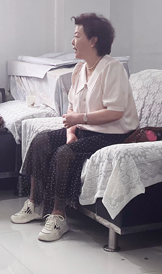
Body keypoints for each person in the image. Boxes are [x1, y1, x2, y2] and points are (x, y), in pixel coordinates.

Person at [11, 13, 138, 241]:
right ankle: (35, 204)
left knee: (64, 154)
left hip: (112, 135)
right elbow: (71, 109)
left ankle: (58, 216)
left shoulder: (113, 68)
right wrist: (71, 132)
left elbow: (115, 112)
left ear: (93, 40)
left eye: (77, 36)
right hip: (84, 130)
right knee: (41, 141)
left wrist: (80, 120)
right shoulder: (79, 69)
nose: (72, 42)